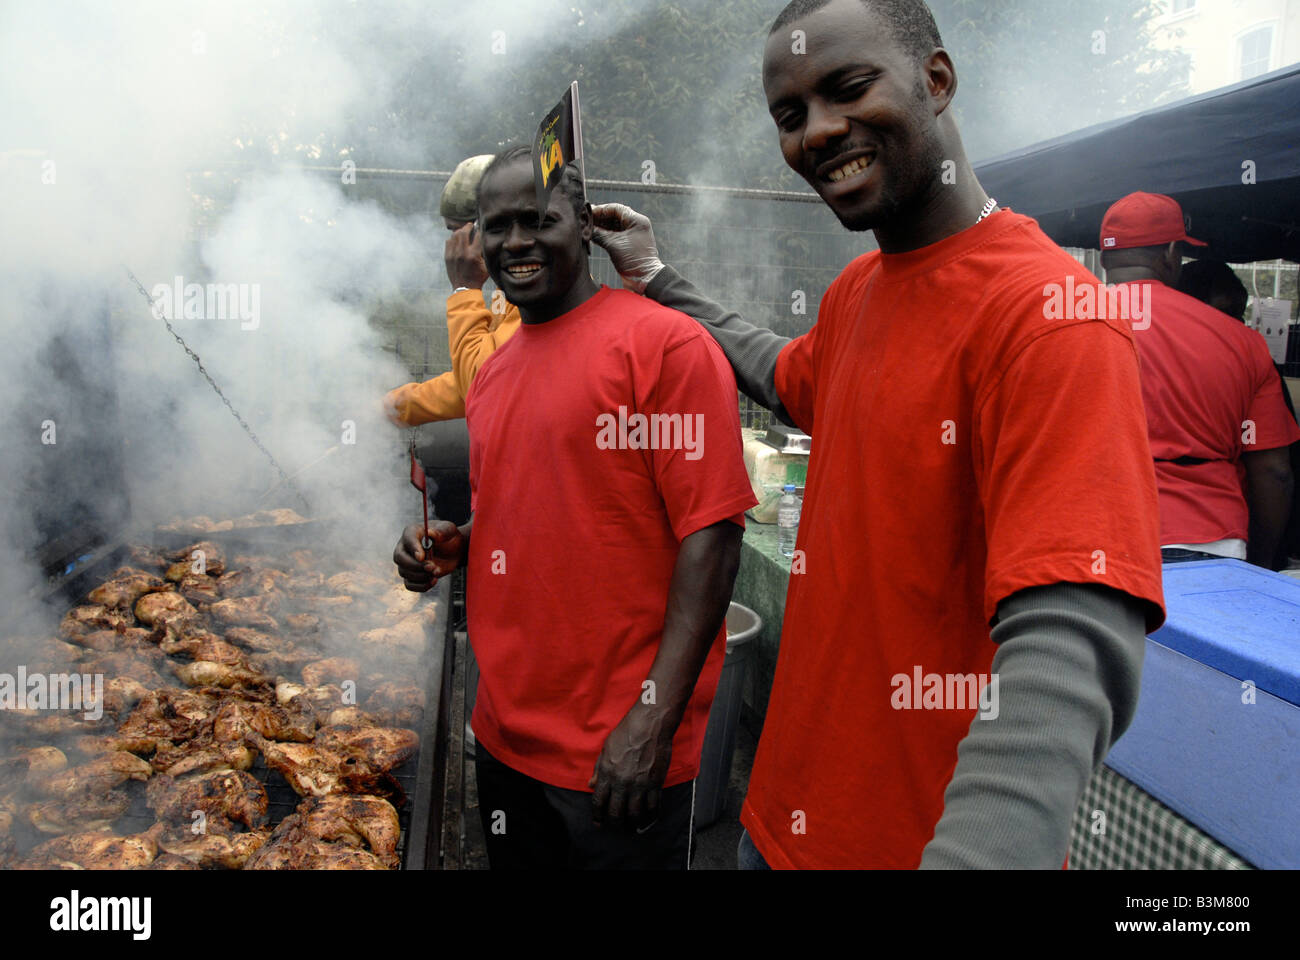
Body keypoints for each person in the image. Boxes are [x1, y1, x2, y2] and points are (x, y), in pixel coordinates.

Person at [592, 0, 1167, 869]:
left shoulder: (1054, 317)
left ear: (935, 81)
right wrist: (659, 278)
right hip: (776, 820)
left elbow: (1071, 639)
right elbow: (786, 375)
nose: (818, 132)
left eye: (848, 89)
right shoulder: (858, 291)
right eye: (790, 116)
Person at [392, 146, 757, 869]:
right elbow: (529, 506)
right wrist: (458, 540)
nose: (518, 242)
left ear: (584, 225)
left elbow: (712, 536)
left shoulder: (667, 346)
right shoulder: (493, 373)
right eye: (499, 227)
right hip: (502, 739)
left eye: (540, 219)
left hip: (616, 753)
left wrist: (653, 718)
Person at [1100, 193, 1298, 568]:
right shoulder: (1243, 342)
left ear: (1105, 257)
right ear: (1172, 253)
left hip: (1088, 540)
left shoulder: (1052, 324)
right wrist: (1260, 563)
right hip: (1208, 541)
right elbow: (1274, 472)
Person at [1176, 256, 1300, 566]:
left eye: (1239, 314)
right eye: (1224, 314)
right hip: (1224, 540)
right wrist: (1264, 561)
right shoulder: (1249, 355)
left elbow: (1278, 469)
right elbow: (1275, 471)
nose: (1237, 326)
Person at [384, 154, 522, 426]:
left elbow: (481, 385)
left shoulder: (537, 293)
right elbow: (471, 376)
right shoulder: (508, 287)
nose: (455, 246)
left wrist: (464, 288)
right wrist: (394, 406)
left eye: (459, 232)